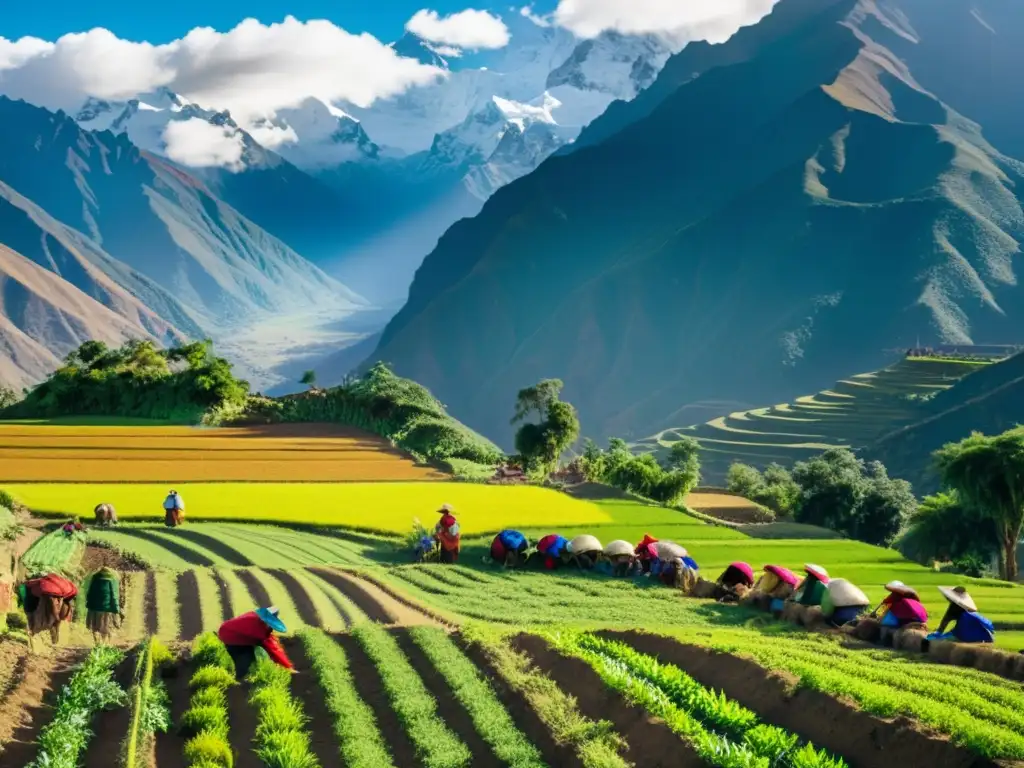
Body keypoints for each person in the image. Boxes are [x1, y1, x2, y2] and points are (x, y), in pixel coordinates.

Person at [218, 606, 294, 679]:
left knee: (249, 659)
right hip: (230, 637)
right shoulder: (256, 625)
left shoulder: (254, 616)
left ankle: (244, 677)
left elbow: (269, 640)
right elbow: (271, 648)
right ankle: (241, 681)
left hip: (231, 633)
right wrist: (285, 665)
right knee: (245, 660)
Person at [19, 573, 78, 649]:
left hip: (40, 605)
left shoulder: (33, 587)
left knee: (40, 623)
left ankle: (37, 642)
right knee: (54, 623)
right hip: (52, 604)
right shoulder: (57, 590)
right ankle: (54, 642)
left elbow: (28, 603)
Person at [927, 586, 995, 644]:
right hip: (987, 637)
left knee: (939, 640)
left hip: (976, 638)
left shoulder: (965, 617)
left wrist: (939, 636)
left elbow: (959, 634)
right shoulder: (970, 614)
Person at [85, 567, 124, 643]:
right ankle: (104, 645)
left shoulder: (95, 577)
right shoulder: (112, 579)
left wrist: (89, 605)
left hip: (94, 608)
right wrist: (116, 609)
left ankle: (97, 644)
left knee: (95, 628)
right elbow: (114, 596)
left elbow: (90, 593)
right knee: (106, 628)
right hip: (107, 609)